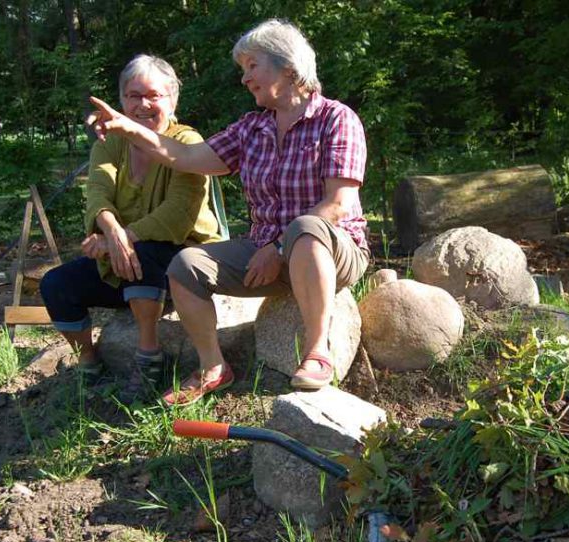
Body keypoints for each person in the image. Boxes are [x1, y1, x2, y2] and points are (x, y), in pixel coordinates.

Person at [88, 19, 369, 405]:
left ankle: (317, 351)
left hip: (333, 251)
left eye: (252, 66)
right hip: (264, 255)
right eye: (243, 69)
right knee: (185, 265)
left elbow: (338, 204)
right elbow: (184, 155)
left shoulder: (337, 119)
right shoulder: (252, 128)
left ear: (288, 67)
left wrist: (277, 247)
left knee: (306, 227)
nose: (244, 78)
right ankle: (213, 367)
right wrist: (126, 128)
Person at [41, 55, 221, 404]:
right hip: (124, 256)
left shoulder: (186, 141)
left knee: (145, 252)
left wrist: (121, 240)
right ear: (121, 100)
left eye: (153, 95)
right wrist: (110, 229)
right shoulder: (109, 143)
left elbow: (177, 216)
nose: (142, 104)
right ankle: (89, 360)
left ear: (172, 100)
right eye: (133, 95)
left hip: (183, 262)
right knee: (56, 284)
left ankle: (148, 357)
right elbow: (97, 193)